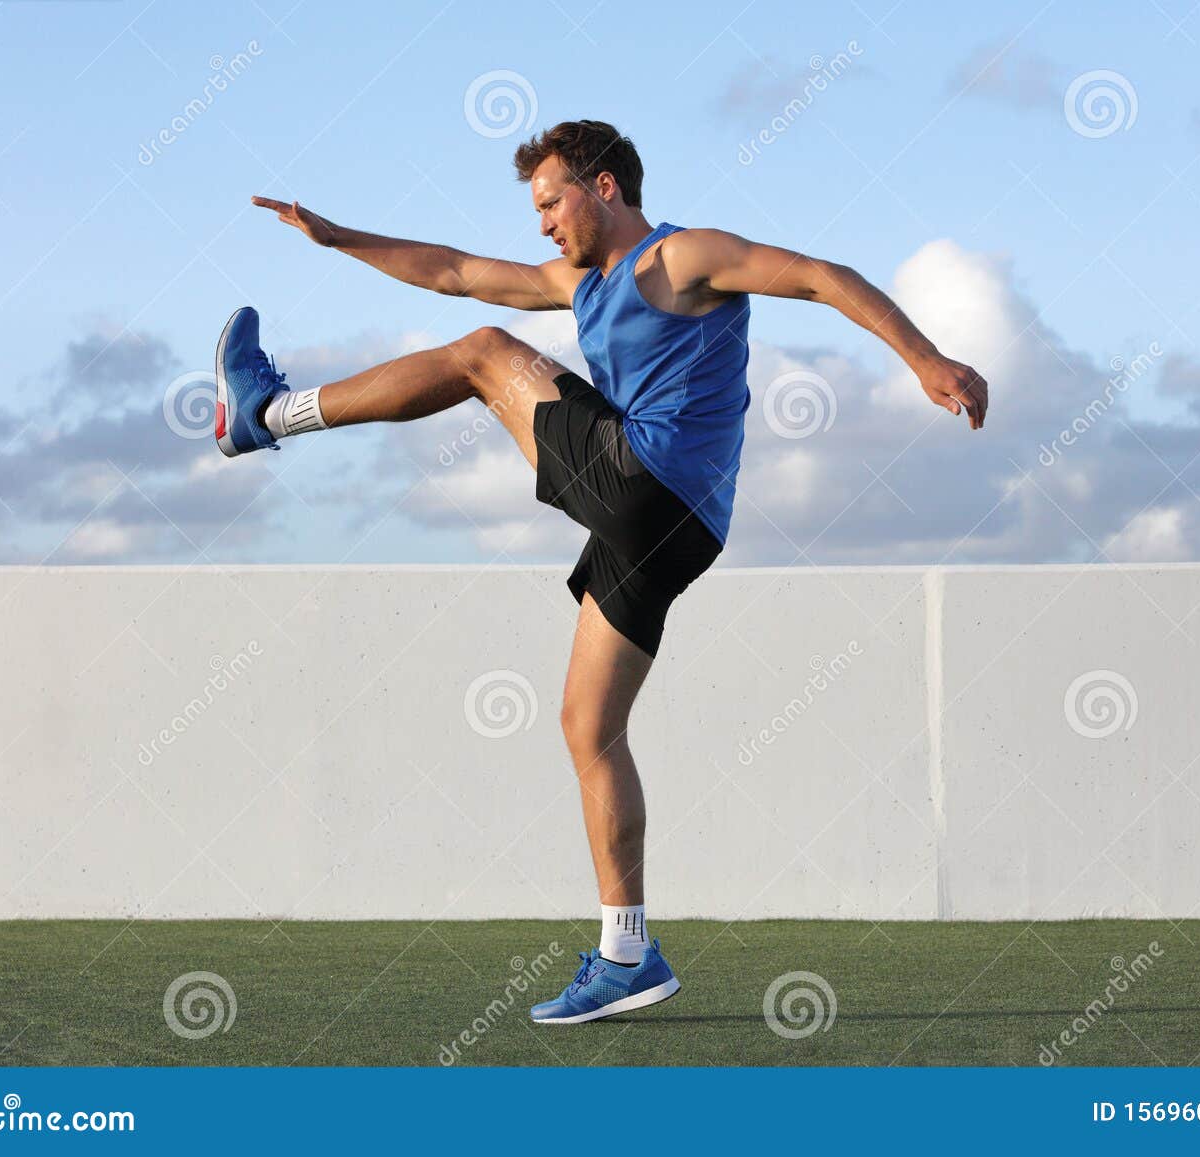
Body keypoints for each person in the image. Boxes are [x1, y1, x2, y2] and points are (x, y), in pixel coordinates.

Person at [215, 120, 987, 1024]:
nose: (541, 223)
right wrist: (342, 238)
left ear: (606, 187)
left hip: (647, 481)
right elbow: (454, 269)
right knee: (589, 727)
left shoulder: (681, 257)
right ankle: (629, 953)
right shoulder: (577, 284)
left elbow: (820, 276)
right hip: (675, 531)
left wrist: (925, 357)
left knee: (482, 354)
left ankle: (267, 413)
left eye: (550, 201)